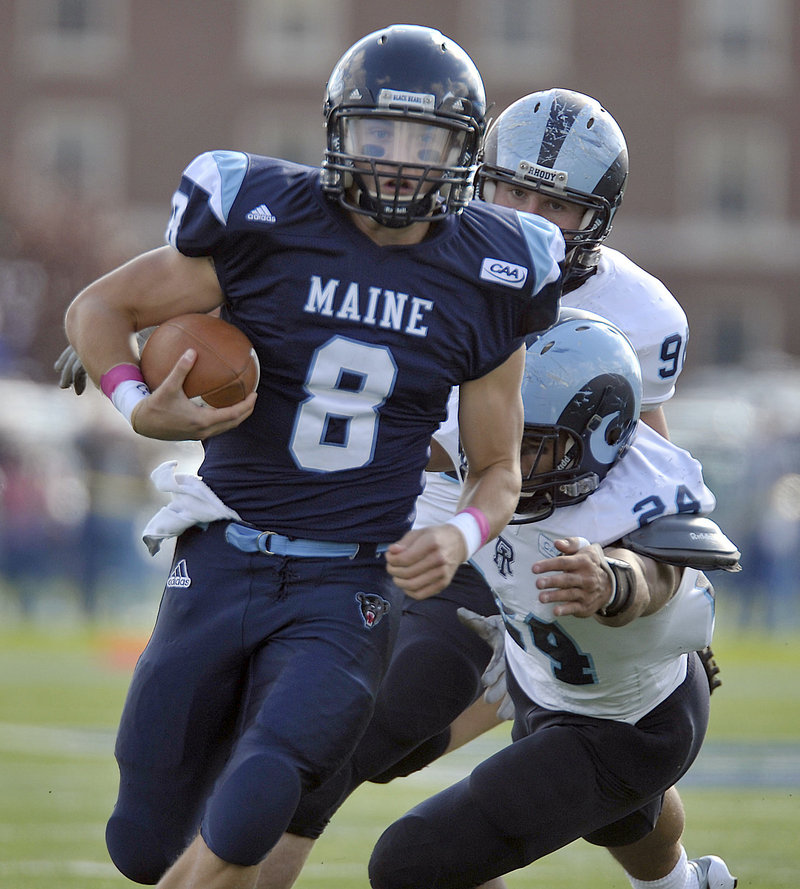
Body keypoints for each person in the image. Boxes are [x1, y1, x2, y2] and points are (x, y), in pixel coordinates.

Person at [62, 24, 565, 889]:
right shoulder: (268, 221)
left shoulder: (491, 275)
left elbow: (499, 467)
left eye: (427, 140)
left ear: (461, 153)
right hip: (219, 560)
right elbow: (98, 308)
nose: (402, 160)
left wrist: (462, 535)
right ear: (340, 132)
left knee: (262, 791)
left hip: (350, 588)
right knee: (141, 844)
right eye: (382, 134)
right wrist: (135, 403)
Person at [247, 89, 697, 889]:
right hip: (445, 522)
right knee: (357, 729)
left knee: (618, 796)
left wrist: (659, 598)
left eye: (555, 202)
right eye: (511, 188)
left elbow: (648, 459)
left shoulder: (642, 312)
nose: (525, 212)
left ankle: (678, 880)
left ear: (596, 215)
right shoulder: (424, 253)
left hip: (558, 543)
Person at [367, 311, 739, 889]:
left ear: (600, 438)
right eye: (494, 428)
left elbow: (661, 573)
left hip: (626, 725)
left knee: (412, 860)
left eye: (530, 443)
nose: (500, 454)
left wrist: (610, 583)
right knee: (621, 825)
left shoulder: (642, 492)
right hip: (543, 685)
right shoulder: (490, 442)